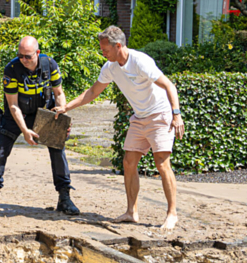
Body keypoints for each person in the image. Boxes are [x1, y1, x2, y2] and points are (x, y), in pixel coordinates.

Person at [60, 25, 184, 230]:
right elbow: (92, 92)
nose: (103, 53)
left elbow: (169, 85)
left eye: (105, 49)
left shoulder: (140, 61)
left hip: (160, 114)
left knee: (162, 163)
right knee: (128, 162)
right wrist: (66, 107)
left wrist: (176, 115)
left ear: (118, 46)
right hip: (140, 117)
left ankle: (172, 214)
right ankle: (131, 212)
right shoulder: (110, 67)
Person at [0, 35, 79, 215]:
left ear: (37, 53)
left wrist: (63, 116)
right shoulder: (12, 69)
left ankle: (64, 197)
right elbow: (13, 105)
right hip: (16, 114)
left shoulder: (50, 65)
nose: (24, 60)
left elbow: (59, 93)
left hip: (43, 113)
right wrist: (25, 130)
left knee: (57, 149)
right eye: (20, 56)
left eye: (28, 56)